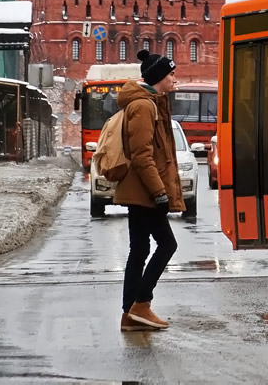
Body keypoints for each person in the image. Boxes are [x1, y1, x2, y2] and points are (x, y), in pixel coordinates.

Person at [115, 49, 183, 331]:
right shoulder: (144, 106)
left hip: (139, 190)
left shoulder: (151, 102)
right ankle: (141, 303)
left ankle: (129, 314)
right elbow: (143, 156)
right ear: (158, 78)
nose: (174, 78)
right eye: (171, 74)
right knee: (167, 245)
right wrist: (159, 192)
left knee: (140, 249)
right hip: (144, 192)